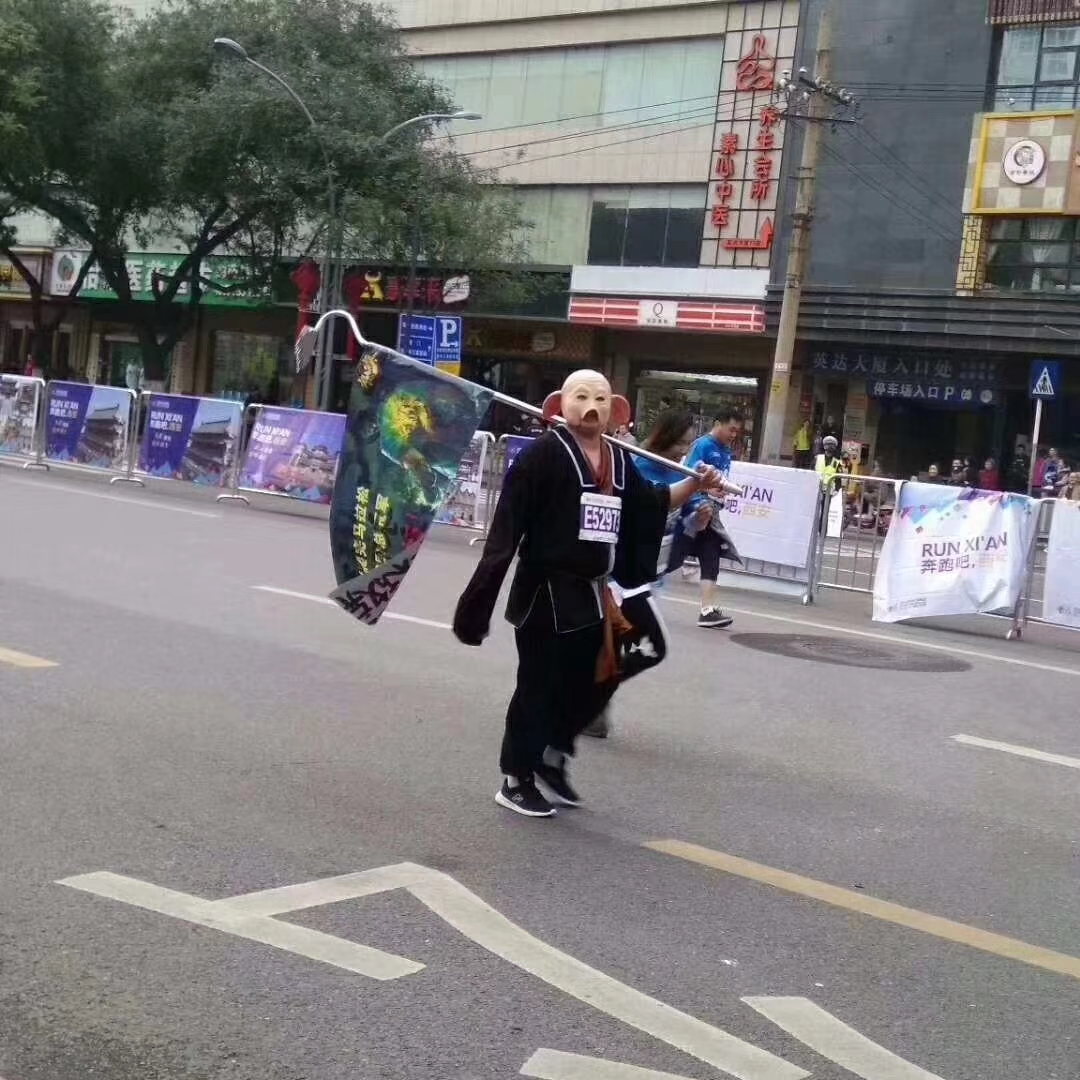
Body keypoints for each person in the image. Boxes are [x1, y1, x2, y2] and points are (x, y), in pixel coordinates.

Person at [452, 370, 721, 818]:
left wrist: (695, 484)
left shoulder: (618, 460)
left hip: (596, 593)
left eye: (600, 399)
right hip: (545, 592)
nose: (591, 407)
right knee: (537, 686)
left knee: (600, 676)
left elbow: (651, 504)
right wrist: (478, 604)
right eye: (581, 397)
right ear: (560, 404)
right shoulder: (541, 457)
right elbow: (504, 535)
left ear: (616, 410)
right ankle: (515, 778)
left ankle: (552, 753)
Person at [583, 410, 703, 740]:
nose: (684, 450)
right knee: (650, 646)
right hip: (621, 577)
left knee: (619, 646)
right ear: (664, 437)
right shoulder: (635, 466)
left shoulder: (679, 470)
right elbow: (647, 509)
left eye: (689, 444)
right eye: (680, 443)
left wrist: (699, 514)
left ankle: (590, 700)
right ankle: (587, 697)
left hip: (649, 575)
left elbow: (685, 520)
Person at [672, 406, 744, 629]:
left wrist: (722, 491)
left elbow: (721, 479)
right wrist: (705, 492)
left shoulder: (726, 451)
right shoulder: (702, 445)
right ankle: (635, 591)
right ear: (718, 424)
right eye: (731, 429)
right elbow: (687, 474)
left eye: (737, 431)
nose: (733, 435)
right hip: (695, 508)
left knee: (710, 554)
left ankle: (707, 610)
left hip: (710, 512)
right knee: (675, 554)